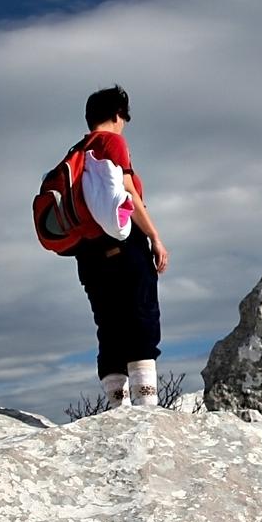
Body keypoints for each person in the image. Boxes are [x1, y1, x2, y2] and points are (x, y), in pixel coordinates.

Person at [73, 85, 169, 406]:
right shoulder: (110, 141)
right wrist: (155, 236)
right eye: (123, 118)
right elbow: (128, 191)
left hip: (88, 255)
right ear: (117, 116)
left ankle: (118, 409)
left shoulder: (75, 153)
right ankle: (147, 409)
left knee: (110, 326)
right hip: (124, 247)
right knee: (141, 318)